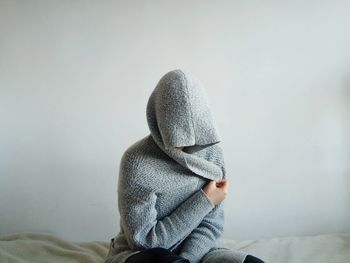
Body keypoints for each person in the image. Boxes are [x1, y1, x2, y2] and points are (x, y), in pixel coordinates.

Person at [105, 69, 265, 263]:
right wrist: (204, 200)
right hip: (143, 255)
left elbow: (210, 226)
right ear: (159, 121)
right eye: (178, 135)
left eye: (194, 134)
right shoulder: (137, 162)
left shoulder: (212, 154)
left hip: (198, 253)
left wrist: (188, 259)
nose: (187, 144)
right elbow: (144, 242)